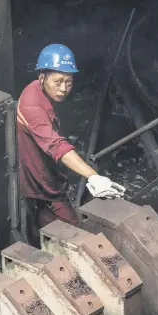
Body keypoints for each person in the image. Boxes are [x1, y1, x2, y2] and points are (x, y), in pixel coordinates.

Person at [16, 43, 125, 243]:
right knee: (76, 234)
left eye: (68, 82)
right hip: (42, 184)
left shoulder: (39, 92)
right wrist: (93, 177)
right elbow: (56, 145)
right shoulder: (33, 107)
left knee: (41, 225)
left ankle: (41, 242)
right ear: (42, 77)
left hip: (42, 175)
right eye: (57, 82)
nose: (63, 89)